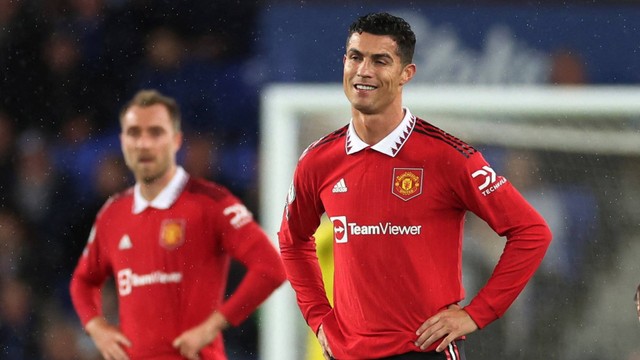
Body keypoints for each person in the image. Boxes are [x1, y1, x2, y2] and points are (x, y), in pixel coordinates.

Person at [278, 12, 552, 360]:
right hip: (347, 353)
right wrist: (318, 317)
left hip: (424, 351)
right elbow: (292, 240)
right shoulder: (318, 161)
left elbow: (531, 232)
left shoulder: (447, 156)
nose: (364, 70)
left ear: (407, 73)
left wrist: (477, 313)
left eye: (380, 61)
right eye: (355, 57)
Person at [70, 89, 286, 360]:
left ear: (175, 141)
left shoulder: (212, 203)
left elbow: (271, 269)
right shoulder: (113, 213)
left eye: (156, 133)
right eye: (135, 133)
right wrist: (96, 326)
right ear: (123, 142)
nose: (144, 143)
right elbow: (83, 280)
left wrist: (214, 325)